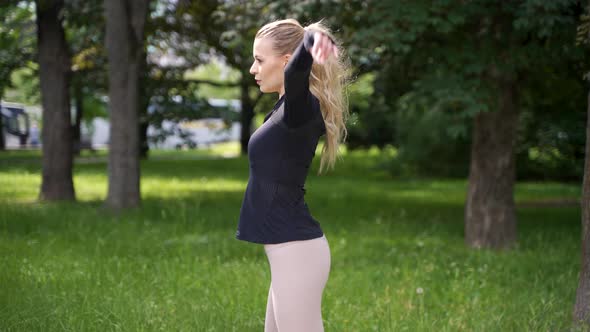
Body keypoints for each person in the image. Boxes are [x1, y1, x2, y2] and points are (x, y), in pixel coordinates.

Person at [235, 18, 349, 332]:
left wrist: (312, 36)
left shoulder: (301, 109)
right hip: (288, 249)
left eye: (259, 59)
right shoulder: (284, 111)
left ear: (286, 61)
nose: (252, 69)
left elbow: (298, 71)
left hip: (297, 250)